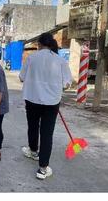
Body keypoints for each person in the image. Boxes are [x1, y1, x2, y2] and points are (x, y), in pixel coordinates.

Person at [19, 32, 72, 180]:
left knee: (33, 126)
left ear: (40, 44)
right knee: (47, 133)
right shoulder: (60, 61)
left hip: (32, 99)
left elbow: (22, 77)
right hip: (51, 102)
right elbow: (67, 83)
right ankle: (42, 168)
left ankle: (33, 151)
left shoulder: (31, 58)